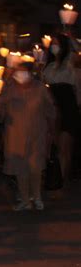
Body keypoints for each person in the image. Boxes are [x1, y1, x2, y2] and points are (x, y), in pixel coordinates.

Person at [0, 62, 56, 210]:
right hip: (15, 135)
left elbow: (50, 110)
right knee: (20, 168)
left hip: (37, 133)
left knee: (35, 166)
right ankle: (25, 199)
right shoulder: (9, 89)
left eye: (23, 72)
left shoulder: (40, 88)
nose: (20, 75)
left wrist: (52, 132)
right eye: (17, 72)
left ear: (30, 73)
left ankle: (37, 197)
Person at [42, 33, 80, 190]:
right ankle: (57, 178)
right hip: (52, 106)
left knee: (65, 146)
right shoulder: (49, 67)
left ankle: (63, 182)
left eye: (57, 43)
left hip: (68, 106)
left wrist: (71, 37)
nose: (54, 46)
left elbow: (78, 52)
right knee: (54, 145)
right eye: (52, 44)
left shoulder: (70, 62)